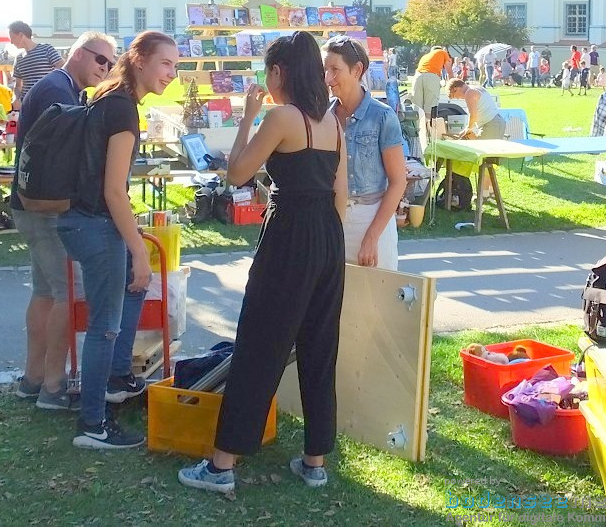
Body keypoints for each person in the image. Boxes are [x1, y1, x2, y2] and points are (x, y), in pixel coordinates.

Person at [179, 31, 347, 495]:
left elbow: (237, 173)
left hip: (290, 233)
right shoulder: (332, 123)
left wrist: (247, 118)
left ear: (279, 72)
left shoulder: (280, 116)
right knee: (319, 346)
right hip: (328, 237)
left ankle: (222, 464)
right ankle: (315, 460)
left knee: (259, 345)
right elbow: (342, 196)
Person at [56, 31, 178, 448]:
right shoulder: (122, 108)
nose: (171, 74)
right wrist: (138, 251)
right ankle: (93, 424)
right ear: (140, 59)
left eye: (176, 67)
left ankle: (115, 379)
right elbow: (113, 191)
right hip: (94, 223)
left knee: (130, 294)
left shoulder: (110, 96)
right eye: (166, 64)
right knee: (105, 326)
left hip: (83, 220)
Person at [11, 32, 118, 410]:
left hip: (31, 205)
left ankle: (33, 378)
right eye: (100, 60)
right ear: (77, 54)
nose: (105, 69)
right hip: (45, 208)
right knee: (67, 295)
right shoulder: (59, 90)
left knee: (44, 291)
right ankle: (53, 386)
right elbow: (64, 158)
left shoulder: (59, 87)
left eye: (110, 64)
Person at [324, 36, 406, 271]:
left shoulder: (382, 116)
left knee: (376, 301)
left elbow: (398, 181)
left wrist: (372, 237)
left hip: (372, 218)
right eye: (325, 70)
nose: (328, 78)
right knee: (336, 304)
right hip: (332, 221)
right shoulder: (323, 117)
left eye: (335, 70)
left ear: (357, 69)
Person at [9, 20, 63, 100]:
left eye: (12, 38)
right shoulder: (19, 58)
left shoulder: (46, 49)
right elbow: (18, 85)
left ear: (21, 35)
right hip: (28, 103)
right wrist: (16, 99)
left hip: (47, 99)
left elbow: (62, 67)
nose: (11, 42)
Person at [411, 45, 451, 125]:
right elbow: (449, 70)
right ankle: (428, 130)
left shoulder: (425, 57)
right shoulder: (443, 52)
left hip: (417, 77)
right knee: (429, 107)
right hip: (431, 77)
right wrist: (451, 84)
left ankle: (417, 129)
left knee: (417, 106)